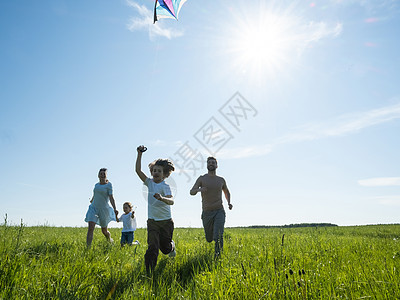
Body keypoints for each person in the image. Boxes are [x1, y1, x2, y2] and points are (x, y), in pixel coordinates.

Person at [135, 145, 176, 274]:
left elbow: (171, 201)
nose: (156, 173)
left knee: (165, 249)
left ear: (164, 175)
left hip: (165, 222)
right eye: (154, 170)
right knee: (152, 247)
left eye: (159, 171)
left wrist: (162, 198)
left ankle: (172, 247)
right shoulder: (149, 183)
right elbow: (138, 171)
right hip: (152, 221)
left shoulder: (166, 186)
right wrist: (139, 154)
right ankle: (149, 272)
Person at [190, 157, 232, 258]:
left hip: (219, 210)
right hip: (207, 212)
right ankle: (212, 239)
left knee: (218, 235)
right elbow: (191, 192)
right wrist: (200, 189)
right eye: (209, 162)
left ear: (216, 165)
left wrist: (229, 202)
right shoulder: (202, 178)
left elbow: (226, 191)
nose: (211, 164)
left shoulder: (221, 180)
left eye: (213, 162)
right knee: (209, 238)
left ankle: (218, 257)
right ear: (207, 165)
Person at [85, 168, 119, 247]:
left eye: (104, 174)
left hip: (104, 210)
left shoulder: (109, 185)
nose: (102, 175)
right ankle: (88, 248)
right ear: (98, 175)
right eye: (101, 174)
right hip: (93, 208)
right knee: (90, 228)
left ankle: (109, 239)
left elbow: (111, 197)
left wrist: (115, 208)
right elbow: (95, 194)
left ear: (106, 176)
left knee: (104, 231)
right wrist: (92, 200)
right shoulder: (96, 185)